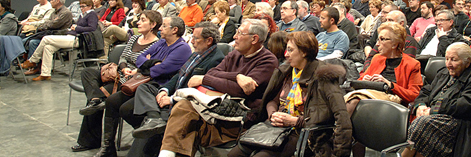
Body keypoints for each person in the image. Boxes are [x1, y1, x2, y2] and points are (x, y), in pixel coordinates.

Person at [157, 19, 278, 157]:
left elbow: (241, 91)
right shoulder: (235, 53)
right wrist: (237, 76)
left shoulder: (268, 61)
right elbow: (213, 73)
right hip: (217, 109)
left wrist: (204, 79)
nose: (234, 36)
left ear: (254, 39)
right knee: (184, 117)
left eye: (239, 33)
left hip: (238, 120)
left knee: (183, 123)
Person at [227, 31, 352, 157]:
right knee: (233, 154)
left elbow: (339, 117)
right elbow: (272, 101)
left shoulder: (324, 76)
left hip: (304, 134)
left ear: (304, 52)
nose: (286, 54)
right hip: (275, 127)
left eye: (290, 50)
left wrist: (295, 121)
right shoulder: (286, 71)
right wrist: (273, 114)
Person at [93, 15, 192, 157]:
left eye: (164, 26)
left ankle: (152, 138)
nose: (160, 28)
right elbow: (139, 58)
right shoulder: (162, 42)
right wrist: (151, 63)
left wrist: (149, 64)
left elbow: (162, 69)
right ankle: (108, 147)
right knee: (112, 101)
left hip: (159, 86)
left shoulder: (182, 48)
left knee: (126, 109)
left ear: (174, 30)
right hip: (143, 81)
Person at [71, 9, 159, 153]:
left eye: (143, 20)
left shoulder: (157, 44)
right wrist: (124, 67)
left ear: (153, 24)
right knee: (88, 73)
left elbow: (146, 65)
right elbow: (123, 57)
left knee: (101, 94)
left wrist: (131, 70)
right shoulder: (133, 39)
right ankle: (95, 100)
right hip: (118, 72)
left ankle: (92, 140)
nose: (138, 22)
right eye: (139, 19)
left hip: (132, 79)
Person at [126, 22, 225, 141]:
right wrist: (165, 90)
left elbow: (200, 93)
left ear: (209, 40)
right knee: (144, 88)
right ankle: (154, 119)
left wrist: (172, 99)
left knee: (143, 137)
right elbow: (179, 75)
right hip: (173, 93)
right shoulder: (196, 53)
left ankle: (155, 128)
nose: (192, 41)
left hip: (184, 104)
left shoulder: (216, 60)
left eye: (195, 38)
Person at [401, 43, 471, 157]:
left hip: (460, 123)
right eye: (447, 59)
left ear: (467, 62)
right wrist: (421, 106)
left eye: (454, 60)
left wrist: (433, 110)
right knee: (423, 127)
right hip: (434, 118)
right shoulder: (444, 72)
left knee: (422, 124)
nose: (449, 64)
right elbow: (426, 91)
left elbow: (464, 105)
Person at [20, 0, 88, 81]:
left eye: (52, 0)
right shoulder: (54, 12)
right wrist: (46, 25)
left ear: (57, 1)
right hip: (55, 34)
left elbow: (54, 24)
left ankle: (33, 61)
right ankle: (45, 74)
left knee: (43, 39)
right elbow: (48, 23)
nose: (50, 1)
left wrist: (77, 28)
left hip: (64, 35)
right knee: (47, 47)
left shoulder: (66, 12)